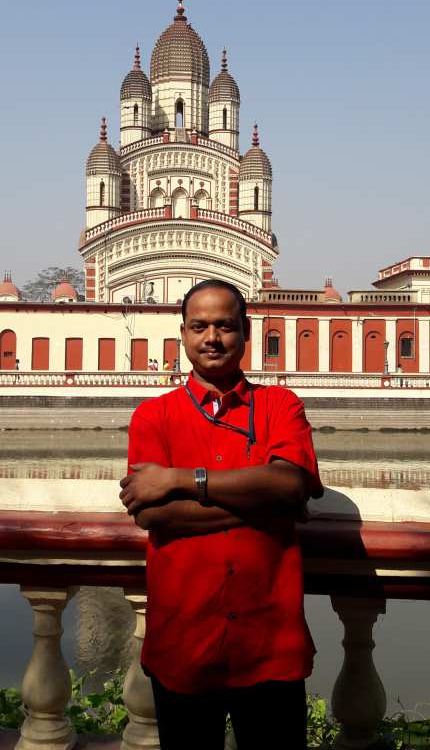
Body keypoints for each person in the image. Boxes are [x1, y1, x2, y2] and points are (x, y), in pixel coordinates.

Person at [120, 279, 323, 750]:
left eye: (225, 326)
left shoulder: (279, 405)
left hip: (269, 643)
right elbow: (156, 517)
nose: (212, 337)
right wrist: (269, 508)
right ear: (183, 335)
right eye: (199, 326)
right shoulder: (153, 416)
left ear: (246, 332)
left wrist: (180, 480)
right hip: (184, 642)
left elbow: (291, 485)